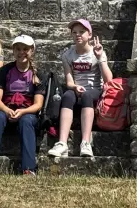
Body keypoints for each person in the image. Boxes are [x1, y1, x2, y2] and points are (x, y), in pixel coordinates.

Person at [0, 34, 45, 176]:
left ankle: (29, 168)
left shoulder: (39, 74)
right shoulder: (5, 71)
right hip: (6, 107)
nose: (21, 52)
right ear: (13, 51)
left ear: (32, 50)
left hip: (27, 111)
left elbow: (38, 104)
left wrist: (22, 112)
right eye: (18, 49)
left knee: (27, 121)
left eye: (25, 49)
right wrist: (7, 110)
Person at [48, 19, 113, 158]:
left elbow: (108, 80)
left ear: (89, 35)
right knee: (67, 96)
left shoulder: (97, 52)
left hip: (94, 90)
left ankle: (85, 142)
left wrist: (100, 57)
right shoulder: (67, 55)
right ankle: (62, 143)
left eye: (82, 32)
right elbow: (69, 81)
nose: (78, 35)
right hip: (77, 89)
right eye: (74, 32)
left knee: (87, 96)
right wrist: (75, 87)